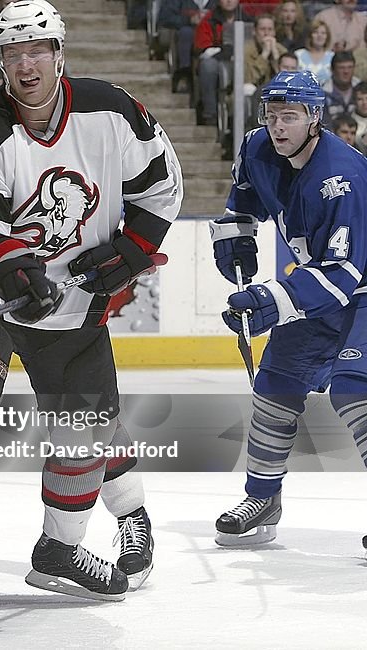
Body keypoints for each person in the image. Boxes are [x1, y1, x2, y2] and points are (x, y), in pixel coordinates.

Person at [0, 1, 181, 620]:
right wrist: (4, 264)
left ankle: (72, 543)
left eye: (36, 51)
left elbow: (161, 182)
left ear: (59, 53)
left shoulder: (111, 109)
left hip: (73, 307)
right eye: (12, 54)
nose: (25, 65)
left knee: (86, 431)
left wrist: (132, 250)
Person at [210, 70, 367, 549]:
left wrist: (268, 301)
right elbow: (243, 200)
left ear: (314, 118)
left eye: (291, 116)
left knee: (354, 391)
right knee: (276, 384)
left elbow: (343, 275)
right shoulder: (258, 148)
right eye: (272, 115)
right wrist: (234, 235)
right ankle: (263, 499)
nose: (278, 127)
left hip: (359, 289)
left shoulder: (344, 176)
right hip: (319, 283)